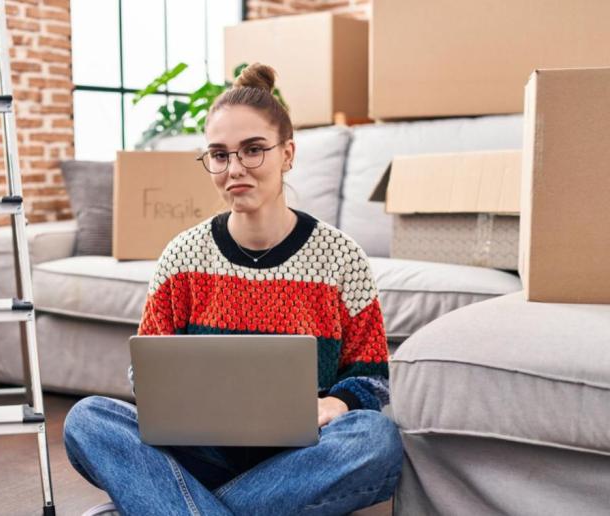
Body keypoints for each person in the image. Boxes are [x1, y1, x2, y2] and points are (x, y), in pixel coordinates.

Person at [64, 62, 403, 516]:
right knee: (87, 421)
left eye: (253, 150)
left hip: (302, 456)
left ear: (288, 154)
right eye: (220, 155)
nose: (235, 168)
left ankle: (163, 505)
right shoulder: (182, 257)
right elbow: (146, 375)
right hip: (199, 454)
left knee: (375, 441)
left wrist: (337, 403)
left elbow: (370, 376)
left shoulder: (341, 258)